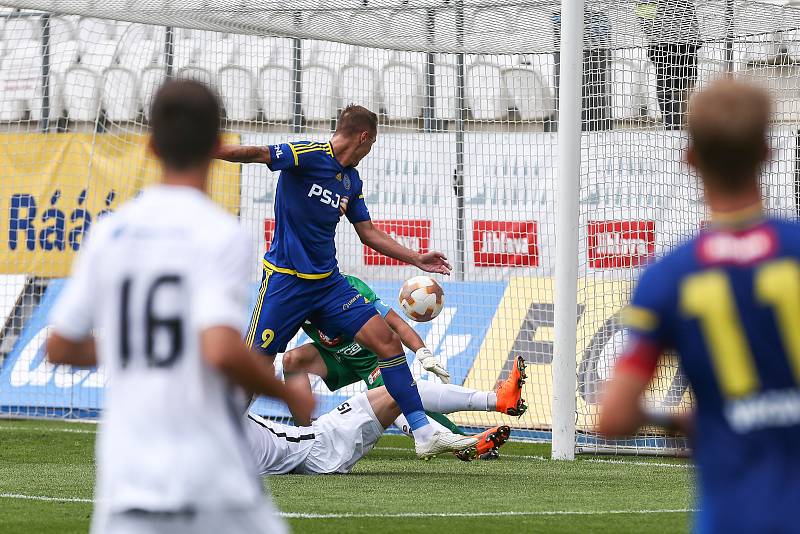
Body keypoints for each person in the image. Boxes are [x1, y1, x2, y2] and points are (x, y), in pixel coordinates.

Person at [46, 80, 314, 534]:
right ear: (216, 146)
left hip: (126, 483)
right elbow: (221, 350)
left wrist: (138, 344)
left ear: (150, 145)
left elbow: (60, 347)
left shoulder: (110, 234)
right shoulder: (219, 233)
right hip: (210, 481)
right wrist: (290, 394)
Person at [215, 104, 476, 459]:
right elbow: (259, 153)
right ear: (364, 137)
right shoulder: (307, 154)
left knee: (386, 342)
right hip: (285, 284)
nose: (369, 153)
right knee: (256, 365)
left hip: (327, 285)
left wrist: (415, 257)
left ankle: (424, 431)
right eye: (371, 145)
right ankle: (218, 436)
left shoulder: (351, 181)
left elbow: (367, 232)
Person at [598, 79, 800, 532]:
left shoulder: (669, 276)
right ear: (768, 152)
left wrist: (684, 418)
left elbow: (614, 417)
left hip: (733, 515)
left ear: (690, 159)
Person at [283, 273, 528, 459]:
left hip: (373, 359)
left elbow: (395, 323)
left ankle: (470, 433)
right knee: (292, 360)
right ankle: (305, 436)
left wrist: (422, 351)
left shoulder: (349, 287)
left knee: (398, 398)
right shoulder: (294, 300)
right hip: (334, 357)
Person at [245, 361, 527, 474]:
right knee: (397, 386)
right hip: (319, 448)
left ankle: (460, 433)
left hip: (316, 444)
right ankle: (493, 401)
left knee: (395, 388)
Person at [636, 0, 701, 129]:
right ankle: (672, 125)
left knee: (682, 84)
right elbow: (644, 17)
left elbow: (643, 16)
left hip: (684, 44)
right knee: (670, 85)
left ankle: (675, 124)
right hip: (666, 45)